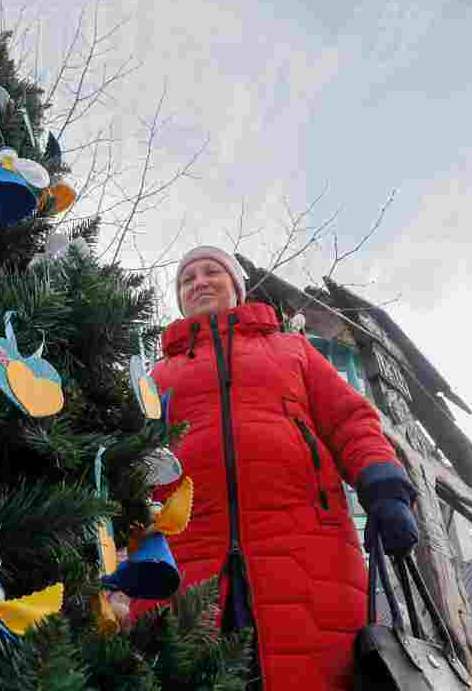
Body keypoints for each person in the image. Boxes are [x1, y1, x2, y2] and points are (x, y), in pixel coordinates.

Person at [132, 245, 420, 691]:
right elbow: (129, 460)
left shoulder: (292, 350)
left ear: (237, 288)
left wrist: (384, 487)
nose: (200, 283)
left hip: (304, 543)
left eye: (212, 273)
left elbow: (350, 420)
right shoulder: (156, 376)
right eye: (187, 280)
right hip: (186, 553)